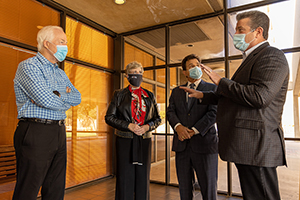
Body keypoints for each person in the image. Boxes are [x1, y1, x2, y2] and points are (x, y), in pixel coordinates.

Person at [181, 11, 289, 200]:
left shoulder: (272, 56)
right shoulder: (252, 58)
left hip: (257, 146)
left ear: (258, 32)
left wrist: (221, 81)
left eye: (241, 30)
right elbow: (236, 95)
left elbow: (259, 96)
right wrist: (203, 95)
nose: (236, 35)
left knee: (262, 195)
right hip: (248, 146)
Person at [13, 25, 81, 200]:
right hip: (35, 131)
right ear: (47, 44)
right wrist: (61, 95)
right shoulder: (28, 67)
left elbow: (77, 97)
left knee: (55, 188)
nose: (66, 46)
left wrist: (57, 95)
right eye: (62, 42)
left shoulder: (60, 72)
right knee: (28, 188)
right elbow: (47, 100)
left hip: (58, 130)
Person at [105, 61, 161, 200]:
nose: (137, 75)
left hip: (144, 140)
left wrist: (147, 127)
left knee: (143, 176)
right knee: (125, 176)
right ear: (127, 75)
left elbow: (158, 119)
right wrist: (128, 125)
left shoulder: (150, 95)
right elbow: (109, 117)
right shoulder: (118, 95)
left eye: (139, 73)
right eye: (134, 72)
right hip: (125, 140)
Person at [166, 54, 218, 200]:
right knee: (184, 188)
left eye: (197, 65)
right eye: (191, 66)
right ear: (184, 72)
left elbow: (213, 113)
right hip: (182, 146)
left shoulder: (212, 88)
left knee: (208, 188)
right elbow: (170, 111)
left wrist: (193, 130)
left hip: (205, 145)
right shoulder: (177, 91)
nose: (195, 68)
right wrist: (178, 127)